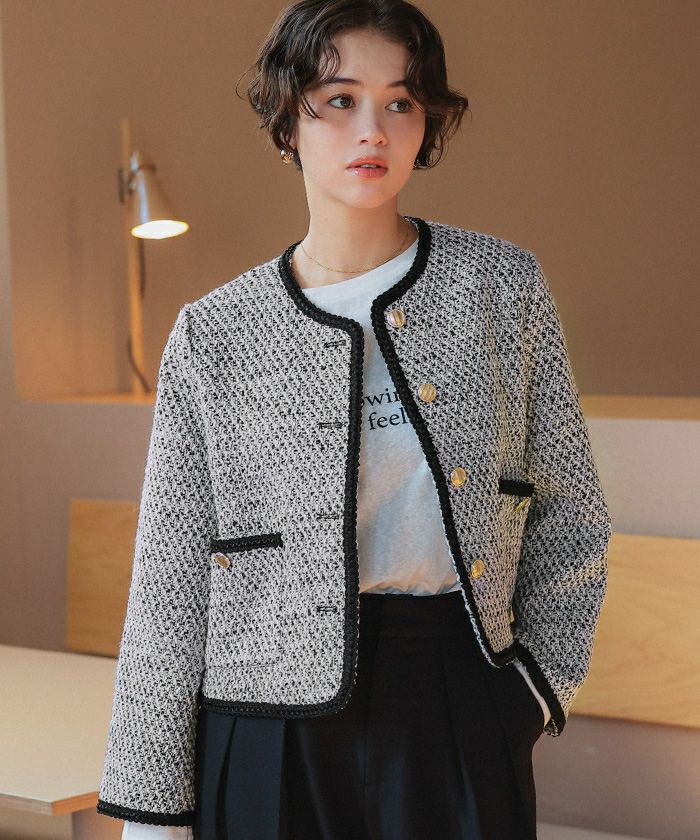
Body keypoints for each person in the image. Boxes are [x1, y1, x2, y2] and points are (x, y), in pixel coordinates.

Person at [97, 2, 613, 839]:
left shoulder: (501, 288)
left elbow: (572, 513)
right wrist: (150, 812)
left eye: (400, 101)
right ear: (287, 120)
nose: (372, 129)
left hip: (458, 699)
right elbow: (170, 580)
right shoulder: (214, 334)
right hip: (263, 724)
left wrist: (533, 690)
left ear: (425, 123)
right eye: (339, 99)